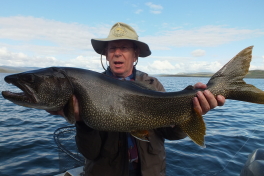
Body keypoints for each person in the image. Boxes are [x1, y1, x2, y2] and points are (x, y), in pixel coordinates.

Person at [49, 22, 225, 176]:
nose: (117, 53)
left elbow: (171, 134)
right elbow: (90, 153)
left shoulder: (153, 85)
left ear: (135, 55)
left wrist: (193, 110)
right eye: (112, 48)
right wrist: (82, 122)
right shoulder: (89, 89)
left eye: (124, 48)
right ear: (106, 55)